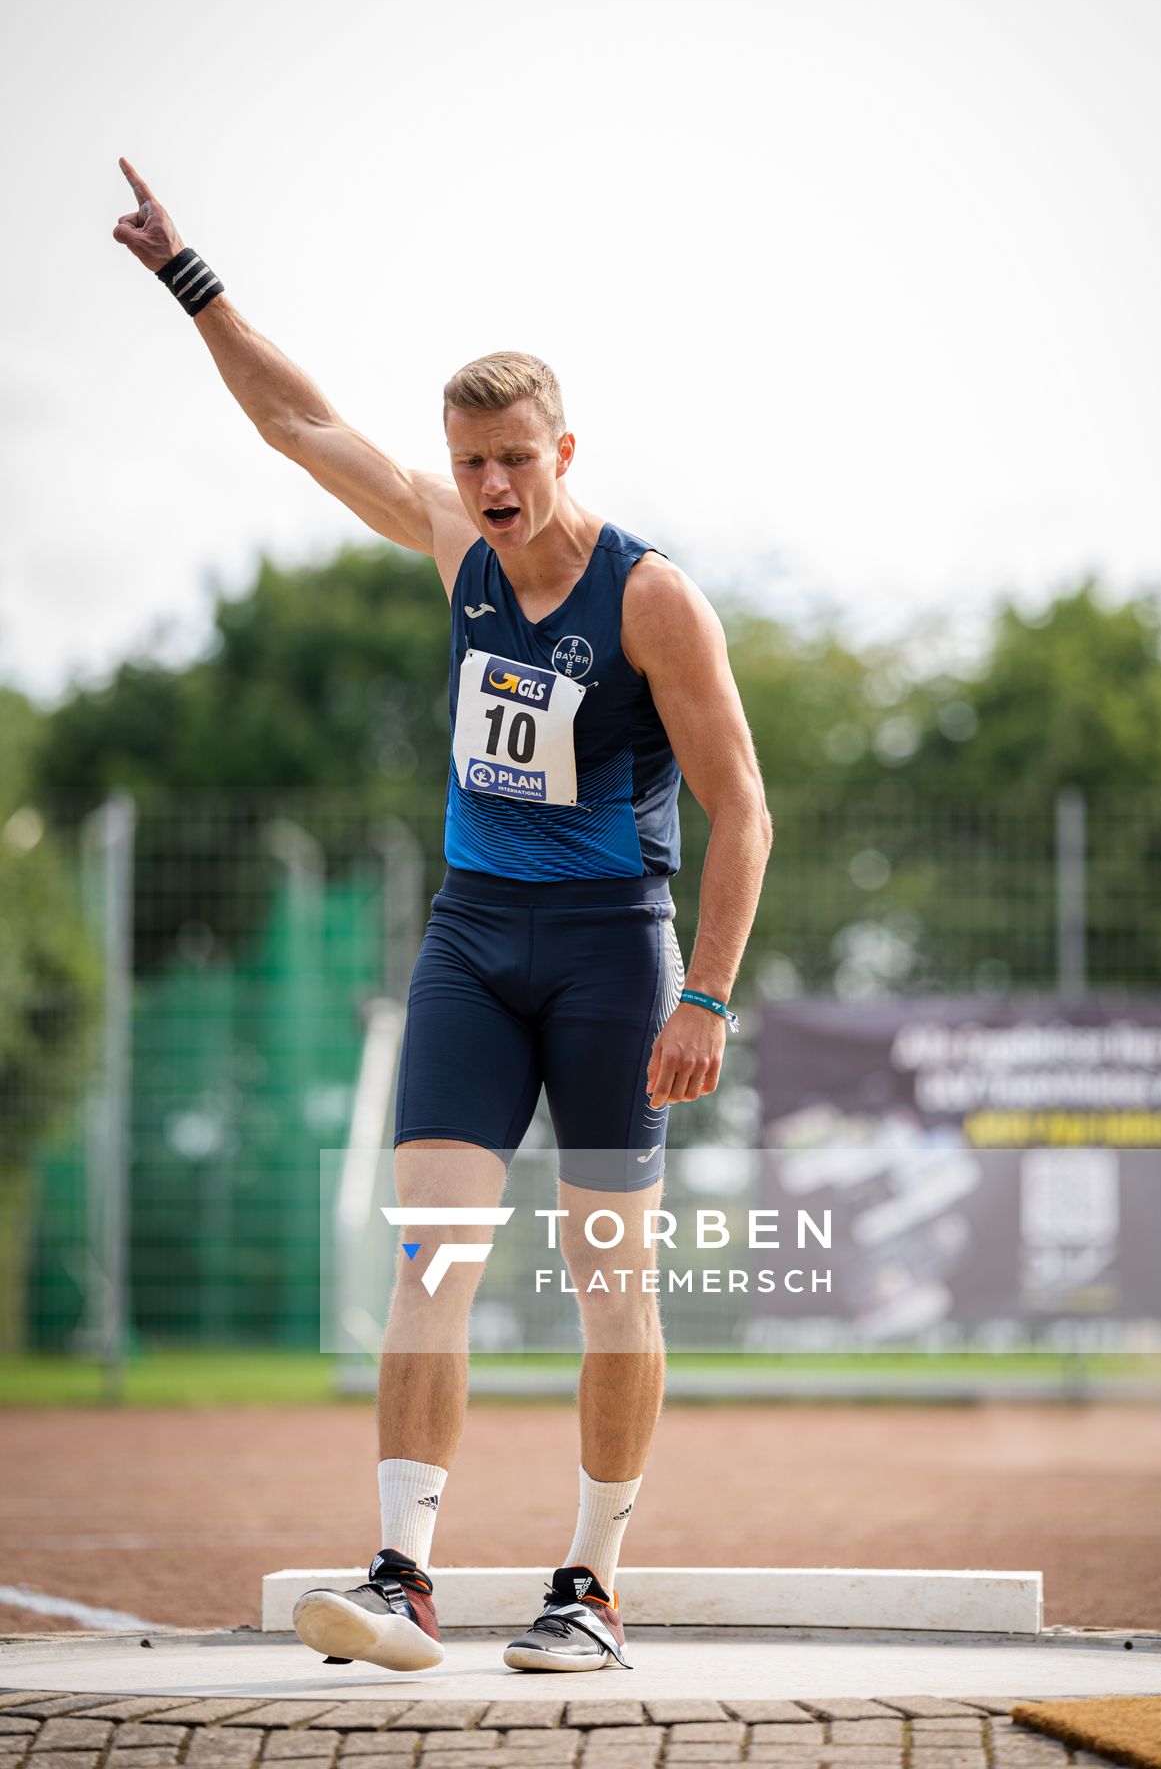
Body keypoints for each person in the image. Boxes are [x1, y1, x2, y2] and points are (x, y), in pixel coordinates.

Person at [112, 159, 773, 1673]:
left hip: (619, 952)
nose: (491, 486)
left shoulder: (652, 599)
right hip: (474, 946)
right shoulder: (455, 549)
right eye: (470, 460)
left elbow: (744, 807)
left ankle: (589, 1586)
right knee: (435, 1254)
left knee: (613, 1270)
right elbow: (295, 422)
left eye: (515, 460)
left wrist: (709, 996)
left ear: (564, 449)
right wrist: (189, 276)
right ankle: (403, 1571)